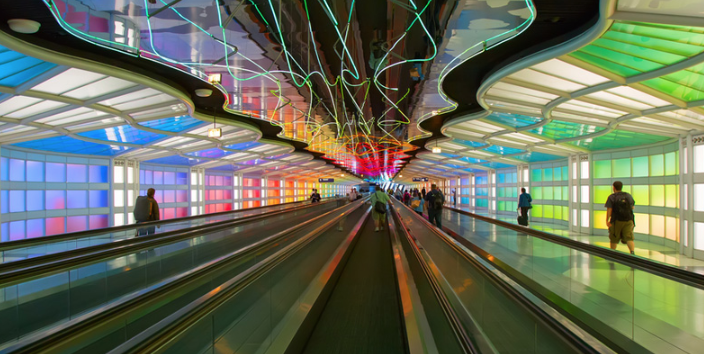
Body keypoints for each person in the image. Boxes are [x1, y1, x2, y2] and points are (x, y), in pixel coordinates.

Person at [605, 181, 636, 255]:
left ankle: (612, 253)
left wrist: (607, 220)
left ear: (614, 187)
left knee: (614, 237)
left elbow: (609, 209)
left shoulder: (612, 197)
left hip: (616, 221)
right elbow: (632, 207)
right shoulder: (628, 196)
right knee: (629, 237)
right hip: (628, 220)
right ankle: (632, 252)